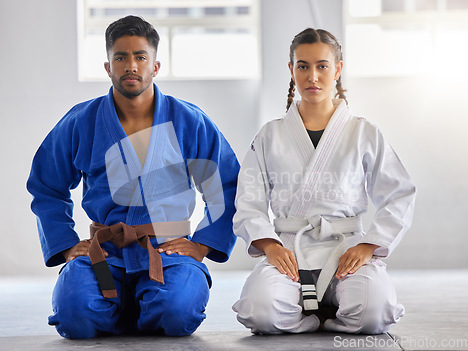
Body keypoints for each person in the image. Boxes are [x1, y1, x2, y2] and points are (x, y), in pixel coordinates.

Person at [27, 15, 239, 339]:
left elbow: (226, 184)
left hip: (166, 253)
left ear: (155, 66)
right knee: (74, 314)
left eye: (140, 57)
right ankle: (122, 303)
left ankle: (140, 304)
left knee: (178, 311)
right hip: (106, 254)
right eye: (121, 57)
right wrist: (67, 246)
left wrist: (202, 245)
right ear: (108, 66)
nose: (131, 66)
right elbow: (46, 186)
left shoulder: (189, 121)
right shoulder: (82, 121)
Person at [232, 28, 416, 335]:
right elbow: (248, 200)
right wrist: (270, 246)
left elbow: (399, 193)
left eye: (322, 66)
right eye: (302, 66)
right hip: (290, 248)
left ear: (338, 69)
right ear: (291, 70)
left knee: (374, 313)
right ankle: (311, 317)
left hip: (346, 248)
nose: (312, 76)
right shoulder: (270, 134)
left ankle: (328, 314)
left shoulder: (363, 132)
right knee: (260, 312)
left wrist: (369, 245)